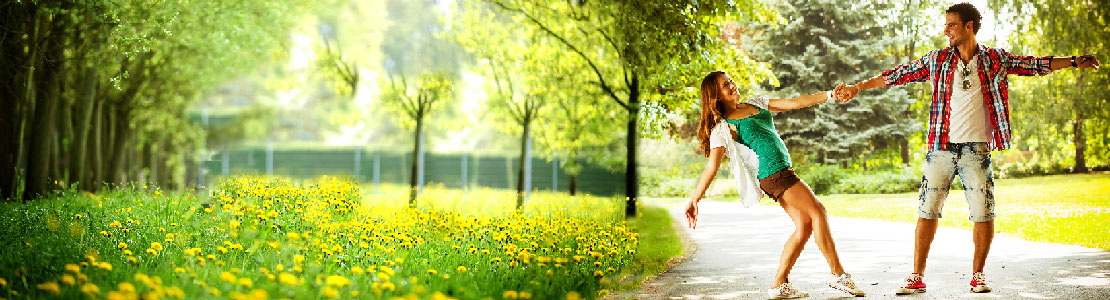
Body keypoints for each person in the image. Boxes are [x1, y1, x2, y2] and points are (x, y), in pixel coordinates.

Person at [833, 2, 1100, 295]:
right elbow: (897, 74)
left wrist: (1074, 61)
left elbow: (1034, 64)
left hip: (976, 151)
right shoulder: (936, 59)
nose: (945, 30)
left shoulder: (994, 59)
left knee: (983, 213)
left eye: (951, 25)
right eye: (946, 24)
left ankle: (978, 276)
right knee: (927, 212)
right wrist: (858, 87)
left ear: (969, 26)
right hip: (941, 149)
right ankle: (916, 276)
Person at [685, 70, 865, 299]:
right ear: (716, 96)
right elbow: (712, 167)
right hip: (773, 174)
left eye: (730, 81)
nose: (731, 85)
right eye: (724, 85)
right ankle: (837, 274)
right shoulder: (722, 128)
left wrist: (830, 94)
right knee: (818, 212)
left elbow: (795, 102)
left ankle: (779, 284)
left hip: (781, 170)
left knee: (805, 225)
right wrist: (694, 199)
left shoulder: (756, 103)